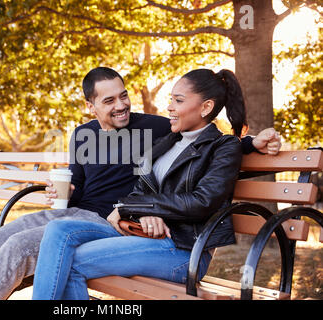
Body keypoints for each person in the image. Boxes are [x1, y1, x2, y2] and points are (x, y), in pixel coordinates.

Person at [0, 67, 280, 300]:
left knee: (21, 248)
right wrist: (63, 190)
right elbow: (78, 181)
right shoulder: (83, 134)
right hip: (75, 213)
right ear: (90, 106)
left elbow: (208, 143)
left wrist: (252, 144)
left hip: (111, 223)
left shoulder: (159, 128)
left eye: (123, 96)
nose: (121, 105)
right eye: (109, 101)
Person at [31, 68, 250, 299]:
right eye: (170, 99)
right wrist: (142, 212)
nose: (170, 107)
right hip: (145, 236)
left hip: (184, 250)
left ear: (206, 107)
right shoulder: (167, 141)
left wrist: (132, 208)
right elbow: (139, 190)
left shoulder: (223, 147)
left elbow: (201, 202)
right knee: (57, 230)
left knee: (70, 262)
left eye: (178, 100)